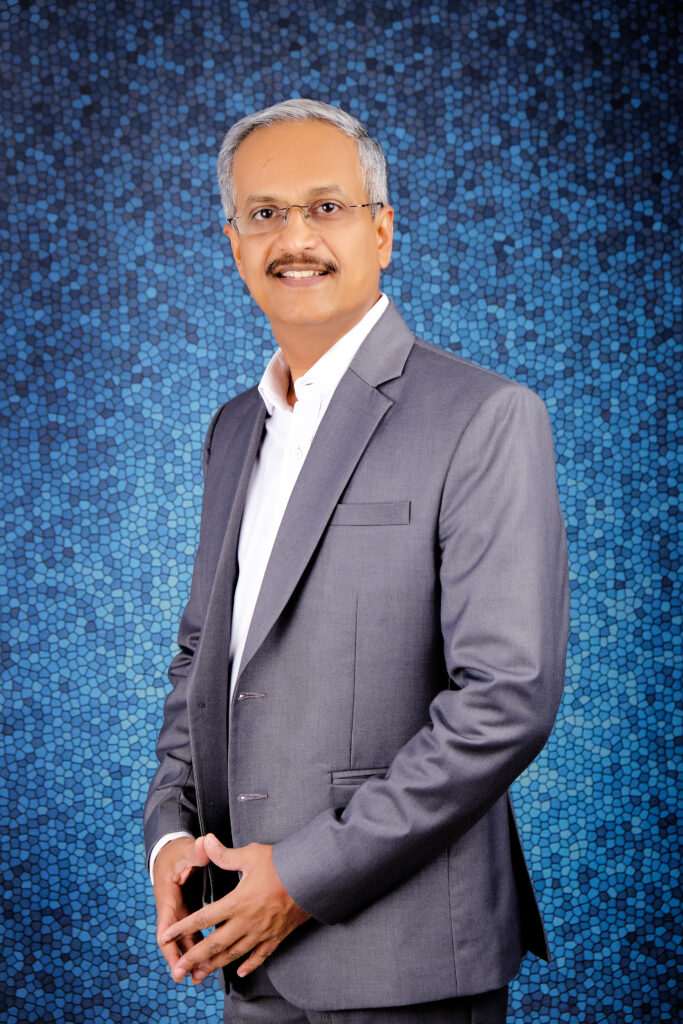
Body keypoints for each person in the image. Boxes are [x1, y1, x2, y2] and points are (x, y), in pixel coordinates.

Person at [143, 98, 569, 1024]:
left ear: (382, 231)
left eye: (326, 207)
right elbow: (203, 657)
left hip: (405, 963)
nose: (294, 237)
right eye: (264, 213)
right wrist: (171, 833)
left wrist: (301, 877)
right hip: (243, 948)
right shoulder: (232, 430)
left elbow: (506, 699)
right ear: (233, 246)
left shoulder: (485, 416)